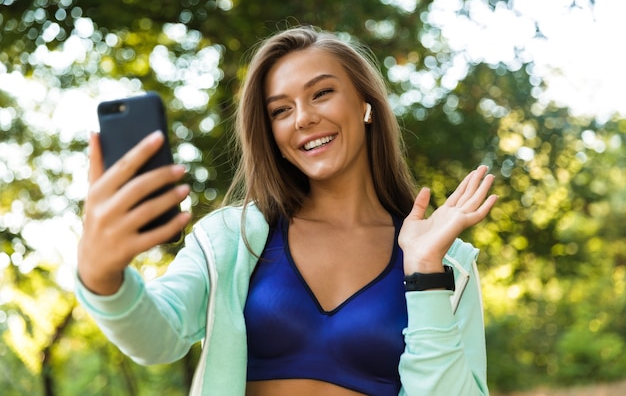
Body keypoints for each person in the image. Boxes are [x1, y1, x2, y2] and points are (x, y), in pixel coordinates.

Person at [76, 26, 497, 396]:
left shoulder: (446, 262)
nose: (302, 118)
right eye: (281, 110)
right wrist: (101, 276)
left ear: (366, 105)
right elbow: (157, 337)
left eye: (321, 93)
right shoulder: (231, 238)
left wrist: (424, 273)